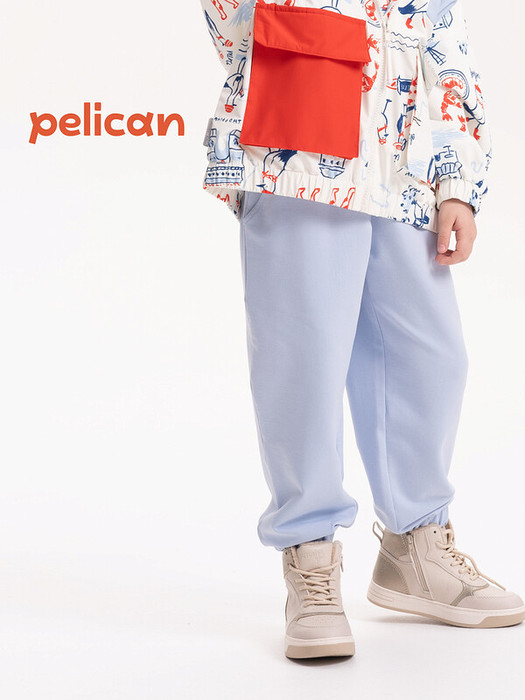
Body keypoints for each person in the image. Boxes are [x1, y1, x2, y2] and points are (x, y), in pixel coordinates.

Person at [199, 0, 525, 659]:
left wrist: (456, 180)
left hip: (401, 163)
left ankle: (415, 547)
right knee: (304, 359)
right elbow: (231, 19)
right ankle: (310, 554)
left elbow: (448, 47)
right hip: (299, 148)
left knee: (430, 355)